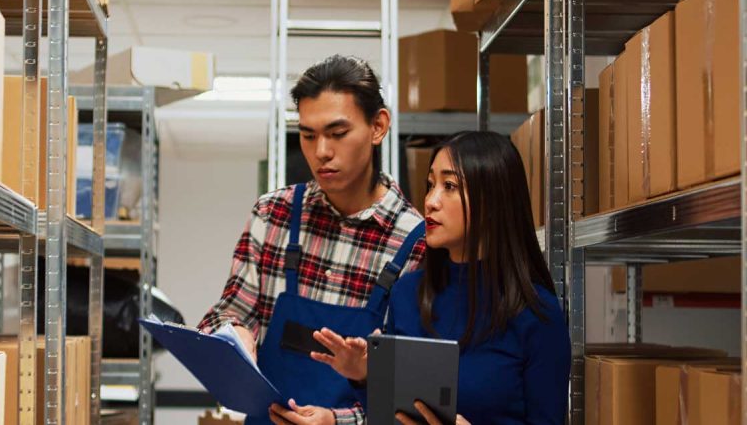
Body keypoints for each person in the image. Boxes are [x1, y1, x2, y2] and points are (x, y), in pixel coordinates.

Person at [197, 55, 426, 425]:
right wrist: (233, 332)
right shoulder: (273, 215)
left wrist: (337, 421)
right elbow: (229, 311)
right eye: (307, 135)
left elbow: (410, 390)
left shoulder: (417, 243)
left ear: (378, 126)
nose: (321, 152)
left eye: (337, 134)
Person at [309, 131, 571, 425]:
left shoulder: (537, 315)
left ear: (493, 200)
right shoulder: (407, 294)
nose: (431, 201)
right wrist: (365, 376)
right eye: (430, 184)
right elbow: (390, 417)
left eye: (449, 186)